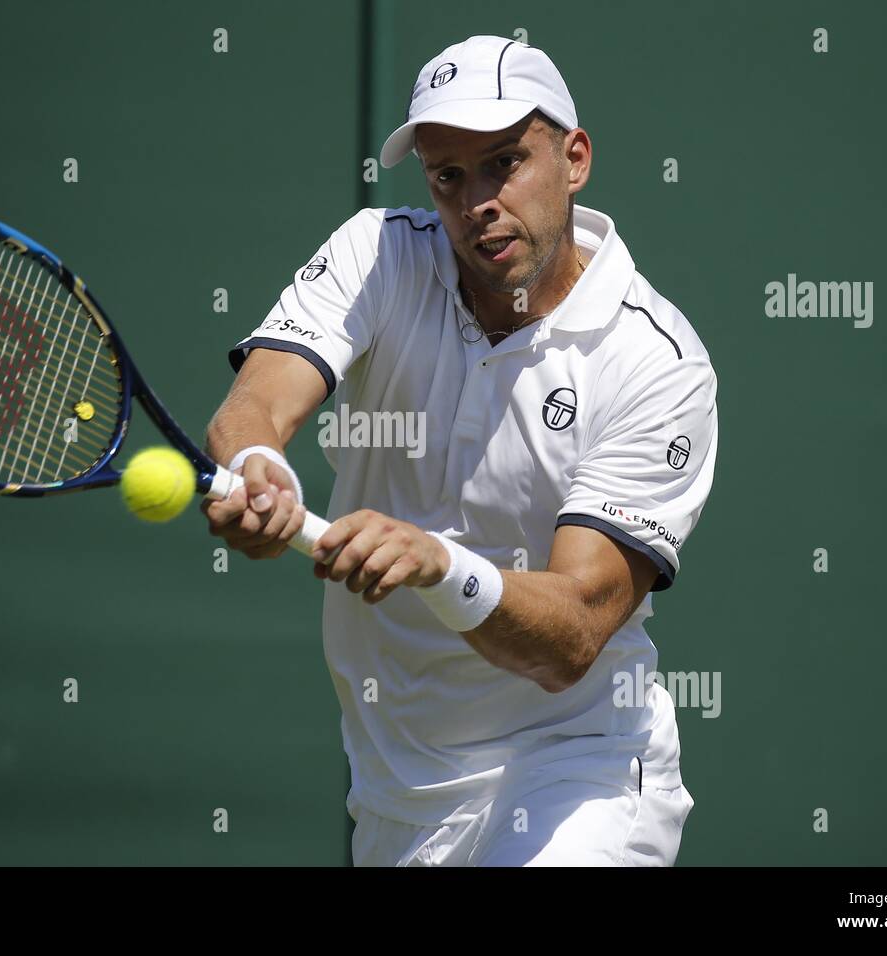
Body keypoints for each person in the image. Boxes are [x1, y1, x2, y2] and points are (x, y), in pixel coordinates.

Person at [203, 35, 718, 866]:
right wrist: (259, 469)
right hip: (397, 792)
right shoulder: (379, 255)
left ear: (575, 159)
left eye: (504, 163)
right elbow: (255, 403)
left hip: (578, 766)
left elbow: (575, 630)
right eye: (448, 176)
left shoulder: (654, 361)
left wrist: (440, 565)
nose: (476, 200)